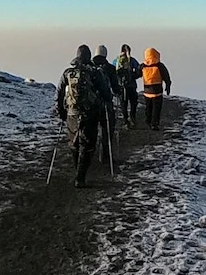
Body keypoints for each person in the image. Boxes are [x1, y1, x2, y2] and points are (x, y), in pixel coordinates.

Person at [55, 44, 112, 187]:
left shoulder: (67, 73)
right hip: (90, 113)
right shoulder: (94, 72)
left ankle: (77, 172)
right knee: (87, 145)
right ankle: (80, 177)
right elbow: (106, 94)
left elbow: (59, 93)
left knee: (74, 144)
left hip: (71, 113)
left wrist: (62, 112)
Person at [140, 46, 173, 129]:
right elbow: (166, 76)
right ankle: (154, 124)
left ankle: (148, 120)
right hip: (157, 91)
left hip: (147, 91)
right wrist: (168, 85)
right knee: (156, 108)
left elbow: (137, 74)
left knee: (148, 107)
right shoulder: (159, 65)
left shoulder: (143, 66)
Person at [114, 44, 142, 127]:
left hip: (121, 86)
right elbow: (139, 72)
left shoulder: (116, 61)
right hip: (131, 85)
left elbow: (114, 72)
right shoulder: (132, 60)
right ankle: (132, 118)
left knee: (123, 103)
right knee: (133, 102)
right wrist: (133, 75)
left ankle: (125, 120)